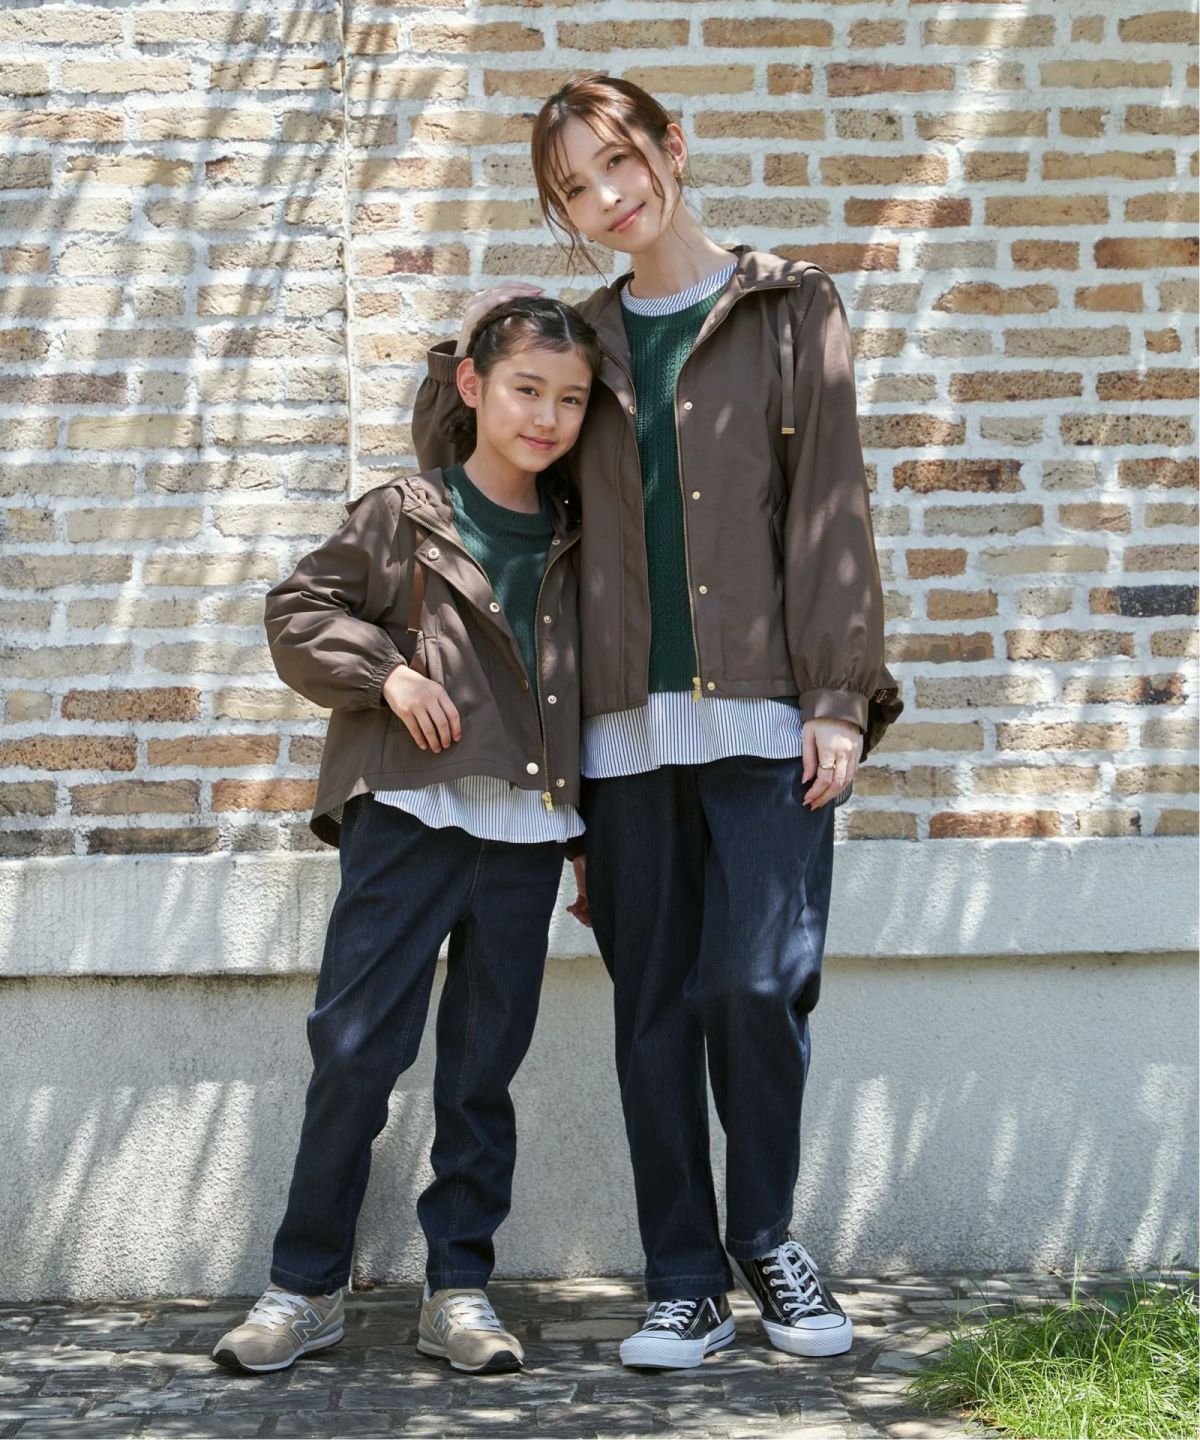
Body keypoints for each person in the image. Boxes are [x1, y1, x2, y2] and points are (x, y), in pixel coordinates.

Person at [413, 74, 891, 1369]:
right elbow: (500, 506)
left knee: (755, 983)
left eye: (619, 161)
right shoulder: (578, 347)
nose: (607, 198)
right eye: (574, 189)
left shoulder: (789, 307)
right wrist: (473, 352)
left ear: (673, 147)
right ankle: (682, 1280)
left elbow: (831, 512)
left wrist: (840, 699)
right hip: (619, 742)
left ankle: (768, 1239)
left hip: (768, 722)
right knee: (654, 1017)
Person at [211, 297, 601, 1376]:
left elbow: (594, 688)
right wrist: (386, 673)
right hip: (408, 819)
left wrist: (592, 841)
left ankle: (459, 1289)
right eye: (526, 389)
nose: (547, 417)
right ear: (474, 386)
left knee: (482, 1072)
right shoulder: (406, 513)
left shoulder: (582, 531)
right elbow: (298, 612)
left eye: (571, 399)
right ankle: (304, 1288)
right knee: (353, 1054)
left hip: (527, 833)